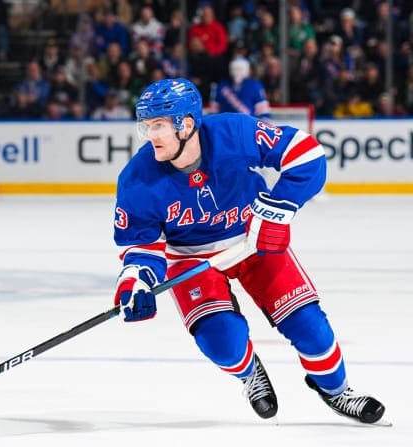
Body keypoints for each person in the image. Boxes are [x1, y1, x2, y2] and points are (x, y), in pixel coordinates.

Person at [113, 78, 385, 424]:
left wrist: (276, 211)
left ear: (187, 124)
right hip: (190, 256)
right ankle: (248, 373)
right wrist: (136, 281)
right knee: (221, 340)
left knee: (311, 329)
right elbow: (140, 244)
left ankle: (336, 390)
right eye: (147, 126)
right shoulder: (137, 178)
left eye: (159, 125)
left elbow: (307, 154)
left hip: (251, 240)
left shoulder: (233, 133)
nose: (151, 135)